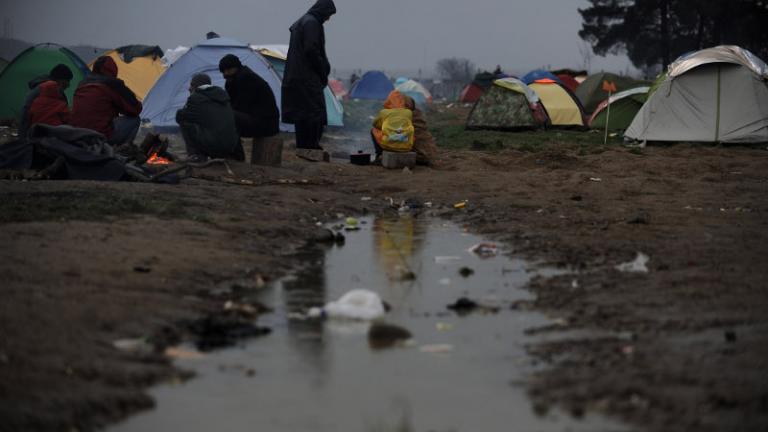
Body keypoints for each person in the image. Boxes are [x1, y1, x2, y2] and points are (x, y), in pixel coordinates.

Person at [282, 0, 336, 151]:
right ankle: (311, 146)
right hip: (307, 77)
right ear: (323, 11)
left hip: (296, 76)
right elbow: (311, 49)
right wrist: (322, 69)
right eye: (328, 15)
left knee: (301, 113)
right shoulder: (312, 23)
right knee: (314, 112)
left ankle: (303, 145)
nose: (328, 19)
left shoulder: (301, 22)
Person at [70, 56, 142, 145]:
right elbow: (136, 109)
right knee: (134, 119)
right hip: (99, 136)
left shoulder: (83, 83)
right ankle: (122, 151)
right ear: (113, 71)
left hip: (76, 135)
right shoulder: (113, 84)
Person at [175, 73, 243, 162]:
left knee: (184, 121)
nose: (189, 88)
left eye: (191, 84)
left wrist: (191, 97)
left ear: (195, 85)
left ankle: (196, 155)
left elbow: (179, 116)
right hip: (230, 147)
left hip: (213, 146)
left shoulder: (196, 98)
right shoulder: (224, 97)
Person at [218, 54, 279, 140]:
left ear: (236, 67)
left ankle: (233, 150)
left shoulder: (246, 78)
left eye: (228, 70)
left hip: (265, 124)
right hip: (259, 121)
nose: (226, 73)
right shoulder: (234, 80)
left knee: (226, 116)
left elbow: (242, 106)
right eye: (223, 71)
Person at [371, 90, 438, 166]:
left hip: (415, 154)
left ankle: (379, 155)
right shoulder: (416, 114)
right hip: (427, 155)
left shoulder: (395, 113)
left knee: (375, 131)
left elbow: (376, 124)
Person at [19, 64, 73, 140]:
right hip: (47, 137)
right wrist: (22, 138)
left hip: (39, 135)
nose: (68, 85)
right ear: (60, 79)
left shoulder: (57, 92)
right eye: (67, 81)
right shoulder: (39, 90)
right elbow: (25, 112)